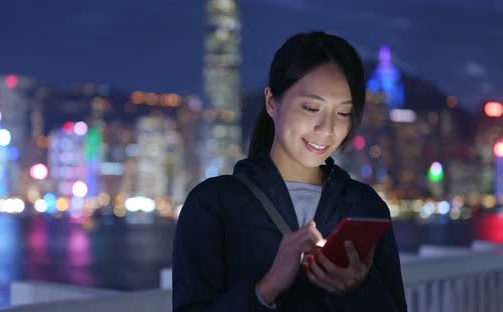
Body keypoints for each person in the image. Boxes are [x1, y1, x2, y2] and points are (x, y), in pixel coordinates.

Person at [172, 31, 407, 311]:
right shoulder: (214, 203)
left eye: (343, 113)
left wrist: (360, 288)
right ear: (272, 102)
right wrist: (268, 287)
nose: (327, 129)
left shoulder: (365, 205)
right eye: (311, 108)